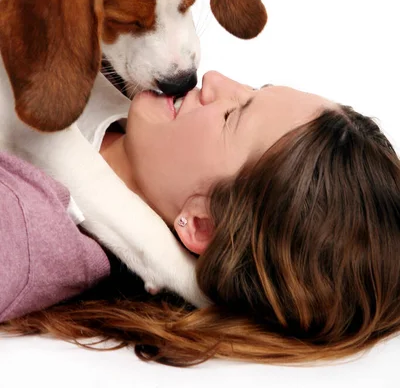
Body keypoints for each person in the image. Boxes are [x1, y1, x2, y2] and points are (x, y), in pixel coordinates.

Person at [1, 70, 400, 367]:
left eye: (232, 116)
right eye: (255, 87)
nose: (211, 79)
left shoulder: (22, 235)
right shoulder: (126, 67)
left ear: (202, 224)